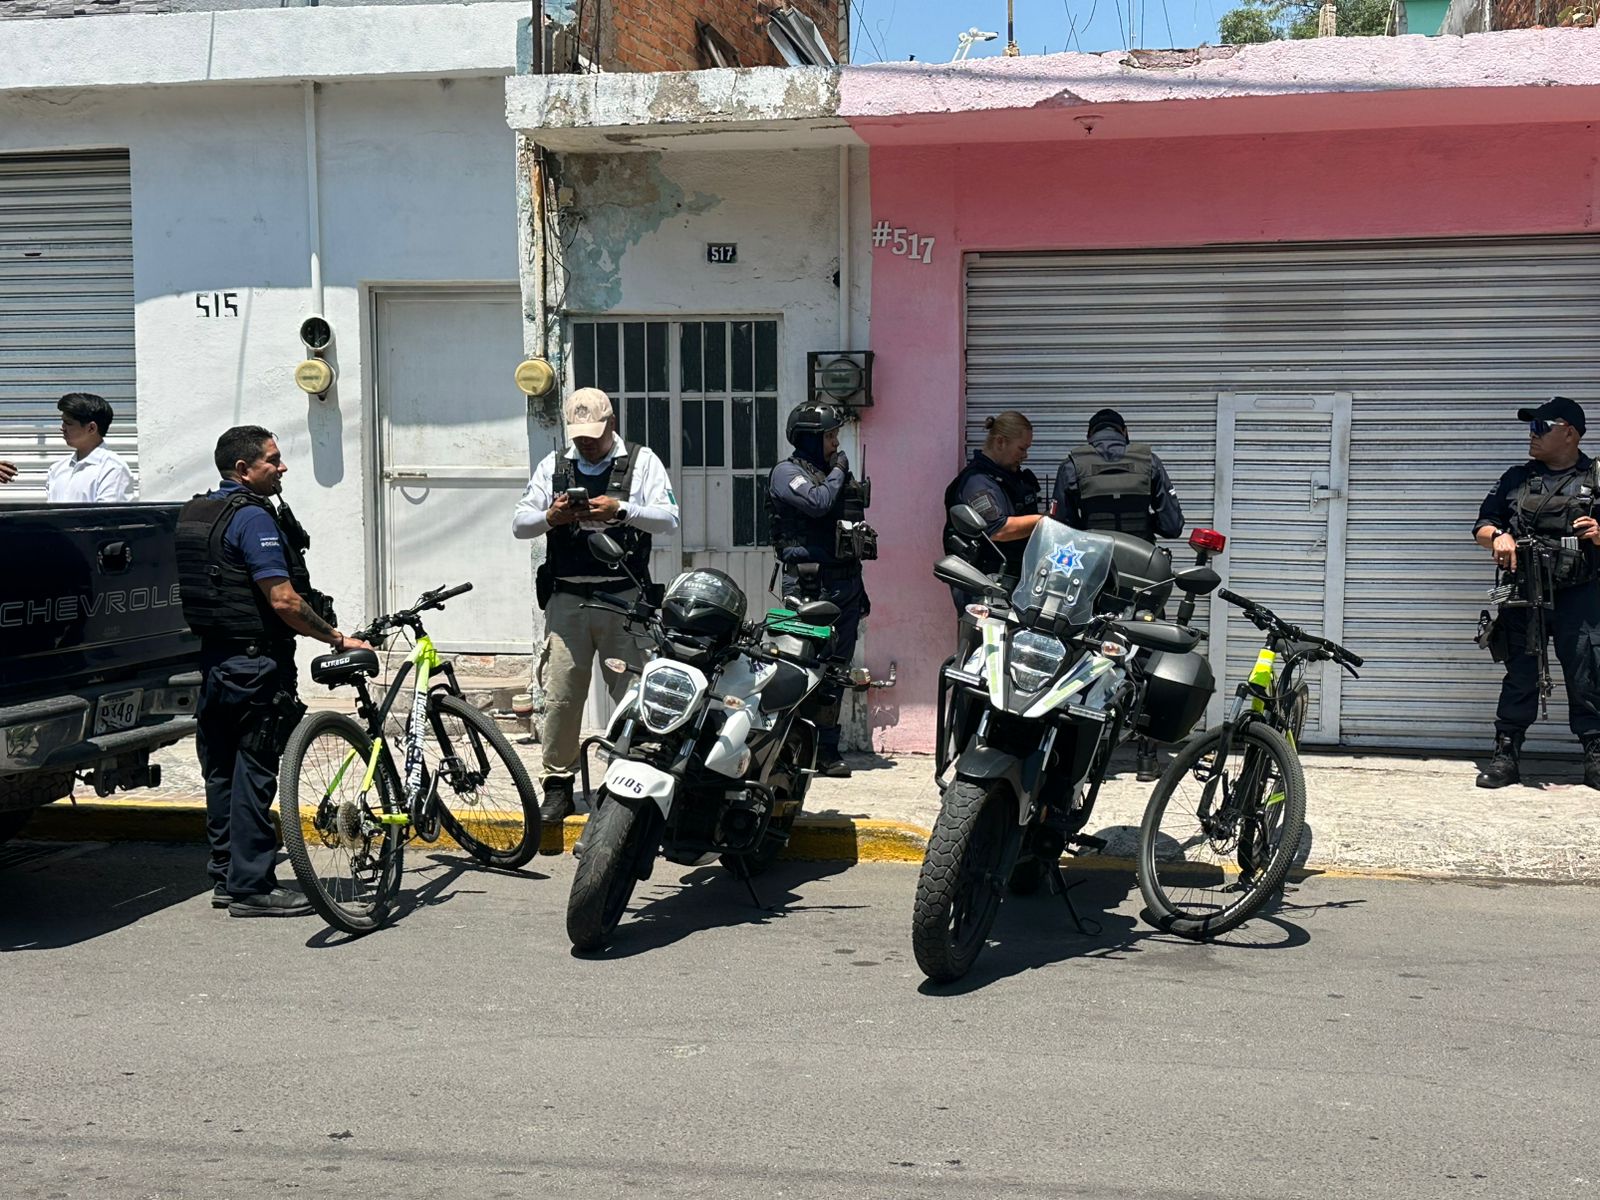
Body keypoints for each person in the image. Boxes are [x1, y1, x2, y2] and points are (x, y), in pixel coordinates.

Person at [176, 426, 369, 917]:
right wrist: (336, 638)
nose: (282, 467)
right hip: (257, 667)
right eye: (273, 460)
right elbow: (283, 600)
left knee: (221, 771)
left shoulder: (199, 512)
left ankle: (226, 876)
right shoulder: (251, 518)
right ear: (243, 469)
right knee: (254, 772)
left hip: (215, 662)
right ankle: (251, 887)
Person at [512, 388, 680, 835]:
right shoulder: (554, 466)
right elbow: (520, 524)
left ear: (611, 425)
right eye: (580, 435)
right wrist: (552, 517)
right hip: (567, 598)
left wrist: (621, 509)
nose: (586, 443)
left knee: (632, 696)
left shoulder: (642, 461)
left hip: (623, 598)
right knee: (562, 695)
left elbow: (668, 519)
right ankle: (558, 783)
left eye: (594, 434)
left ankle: (626, 781)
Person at [1472, 396, 1600, 790]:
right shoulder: (1516, 479)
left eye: (1541, 426)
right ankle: (1506, 755)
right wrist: (1498, 536)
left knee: (1587, 673)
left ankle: (1595, 754)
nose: (1532, 434)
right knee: (1521, 675)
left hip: (1580, 593)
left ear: (1570, 433)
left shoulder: (1597, 477)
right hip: (1525, 591)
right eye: (1531, 426)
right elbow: (1482, 525)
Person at [1053, 407, 1185, 781]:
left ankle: (1088, 750)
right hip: (1144, 578)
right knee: (1148, 657)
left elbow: (1061, 529)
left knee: (1086, 653)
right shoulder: (1149, 461)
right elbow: (1172, 525)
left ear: (1090, 435)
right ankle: (1146, 757)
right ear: (1124, 432)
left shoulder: (1072, 465)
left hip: (1094, 576)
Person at [767, 401, 872, 779]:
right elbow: (817, 503)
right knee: (801, 665)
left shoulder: (834, 475)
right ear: (809, 439)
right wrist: (840, 471)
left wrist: (860, 588)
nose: (836, 444)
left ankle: (826, 749)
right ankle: (790, 747)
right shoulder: (787, 473)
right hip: (808, 583)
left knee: (836, 670)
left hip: (846, 582)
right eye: (830, 436)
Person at [942, 410, 1044, 610]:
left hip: (1011, 581)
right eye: (1021, 448)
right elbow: (999, 530)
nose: (1025, 455)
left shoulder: (1011, 479)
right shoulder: (976, 482)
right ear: (1000, 442)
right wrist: (1044, 521)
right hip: (984, 585)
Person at [45, 393, 134, 503]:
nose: (62, 428)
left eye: (68, 423)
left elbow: (108, 513)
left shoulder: (112, 469)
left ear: (91, 428)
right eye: (63, 422)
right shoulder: (56, 469)